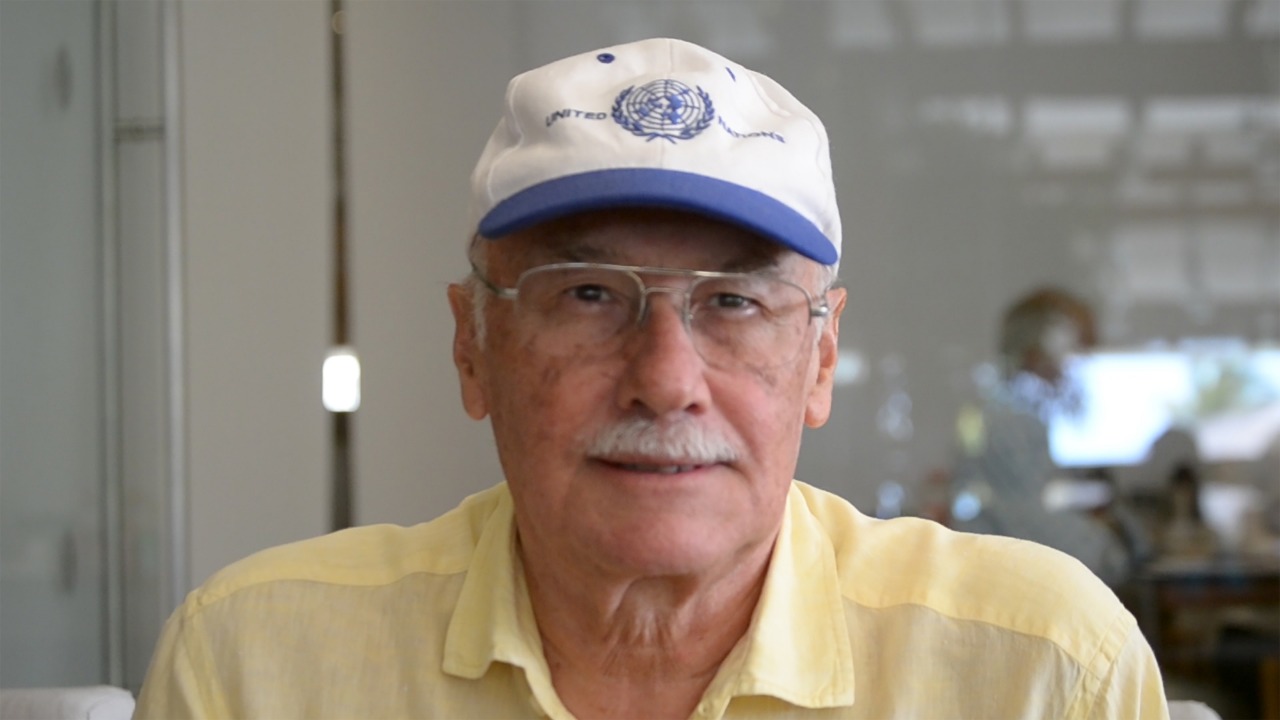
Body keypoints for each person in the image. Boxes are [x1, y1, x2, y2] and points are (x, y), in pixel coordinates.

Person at [134, 38, 1169, 718]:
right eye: (587, 294)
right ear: (472, 346)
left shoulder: (1038, 672)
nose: (666, 381)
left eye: (734, 302)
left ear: (820, 358)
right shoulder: (257, 669)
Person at [951, 288, 1147, 588]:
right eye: (1079, 349)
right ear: (1037, 351)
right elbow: (1051, 541)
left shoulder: (1015, 416)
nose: (1083, 364)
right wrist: (1120, 542)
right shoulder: (1009, 423)